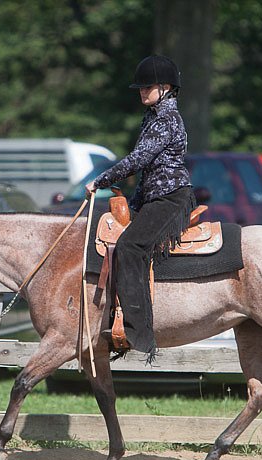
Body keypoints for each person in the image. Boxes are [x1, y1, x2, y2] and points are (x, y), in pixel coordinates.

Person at [85, 55, 195, 356]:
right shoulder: (152, 117)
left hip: (171, 198)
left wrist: (101, 181)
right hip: (149, 198)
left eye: (148, 86)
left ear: (166, 87)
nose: (141, 91)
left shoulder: (167, 120)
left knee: (130, 247)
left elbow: (138, 161)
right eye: (141, 87)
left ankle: (139, 334)